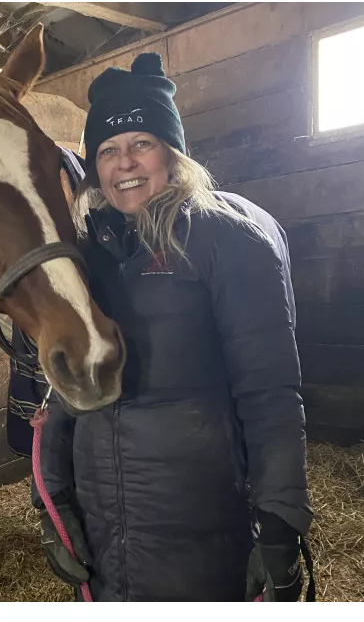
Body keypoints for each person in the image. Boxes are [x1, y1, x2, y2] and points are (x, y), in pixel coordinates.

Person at [28, 52, 314, 602]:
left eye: (142, 143)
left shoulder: (229, 244)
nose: (124, 163)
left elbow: (271, 394)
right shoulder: (86, 254)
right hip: (101, 531)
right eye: (108, 151)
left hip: (197, 523)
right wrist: (54, 497)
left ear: (173, 152)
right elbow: (66, 384)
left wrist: (279, 525)